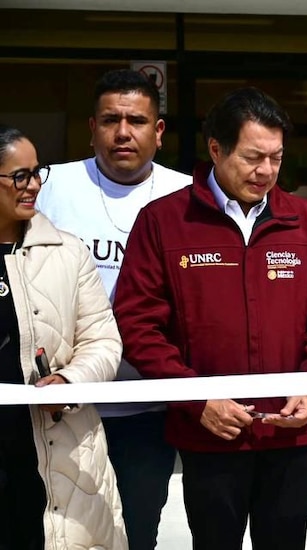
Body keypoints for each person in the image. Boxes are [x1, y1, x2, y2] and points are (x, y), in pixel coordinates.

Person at [113, 87, 307, 550]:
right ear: (216, 149)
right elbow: (138, 326)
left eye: (276, 158)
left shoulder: (303, 221)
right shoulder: (164, 221)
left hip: (290, 433)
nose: (265, 171)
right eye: (252, 157)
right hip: (209, 436)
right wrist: (198, 398)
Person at [33, 68, 191, 550]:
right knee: (60, 536)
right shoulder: (48, 186)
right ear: (91, 127)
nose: (123, 132)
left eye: (137, 121)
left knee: (136, 532)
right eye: (110, 120)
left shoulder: (186, 196)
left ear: (158, 131)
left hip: (148, 406)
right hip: (62, 408)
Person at [0, 126, 126, 548]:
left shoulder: (68, 252)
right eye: (20, 176)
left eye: (37, 173)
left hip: (57, 455)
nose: (33, 185)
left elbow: (104, 342)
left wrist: (70, 382)